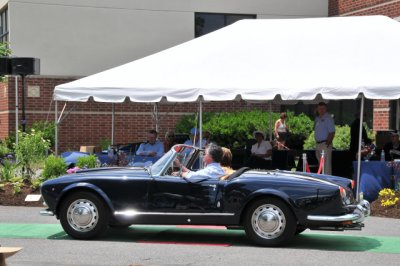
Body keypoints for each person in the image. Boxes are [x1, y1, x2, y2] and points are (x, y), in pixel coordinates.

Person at [314, 102, 335, 175]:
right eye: (320, 109)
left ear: (326, 109)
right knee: (321, 165)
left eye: (323, 108)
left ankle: (328, 182)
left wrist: (327, 143)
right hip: (318, 144)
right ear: (317, 109)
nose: (321, 110)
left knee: (326, 166)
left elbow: (332, 132)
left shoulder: (328, 118)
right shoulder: (317, 118)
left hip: (325, 144)